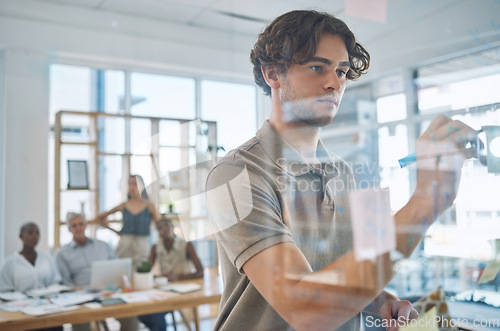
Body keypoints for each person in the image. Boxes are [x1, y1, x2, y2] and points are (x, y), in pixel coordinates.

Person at [205, 10, 476, 331]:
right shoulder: (233, 174)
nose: (334, 83)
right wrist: (424, 203)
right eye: (317, 67)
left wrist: (383, 300)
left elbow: (361, 270)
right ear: (273, 74)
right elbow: (306, 310)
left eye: (342, 71)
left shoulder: (352, 174)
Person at [55, 213, 139, 331]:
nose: (78, 228)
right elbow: (66, 283)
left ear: (86, 225)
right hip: (82, 297)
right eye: (74, 225)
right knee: (80, 321)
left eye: (81, 224)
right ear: (69, 229)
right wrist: (79, 291)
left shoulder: (102, 245)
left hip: (108, 292)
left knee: (130, 316)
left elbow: (118, 267)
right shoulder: (62, 253)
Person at [137, 217, 204, 331]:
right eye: (160, 228)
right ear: (158, 232)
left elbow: (200, 272)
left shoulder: (186, 245)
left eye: (166, 226)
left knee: (156, 314)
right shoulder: (155, 247)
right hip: (165, 290)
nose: (164, 229)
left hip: (183, 290)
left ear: (173, 228)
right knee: (141, 311)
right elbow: (146, 270)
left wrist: (177, 277)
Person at [0, 222, 62, 331]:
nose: (35, 236)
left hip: (48, 309)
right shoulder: (10, 263)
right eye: (30, 232)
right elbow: (4, 291)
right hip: (22, 311)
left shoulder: (47, 259)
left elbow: (55, 283)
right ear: (21, 236)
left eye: (37, 233)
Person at [95, 174, 160, 269]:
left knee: (140, 272)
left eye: (135, 184)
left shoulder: (150, 206)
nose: (131, 187)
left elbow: (160, 226)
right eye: (129, 184)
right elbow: (99, 219)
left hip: (142, 245)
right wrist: (117, 232)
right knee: (121, 272)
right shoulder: (124, 205)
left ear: (142, 185)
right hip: (124, 245)